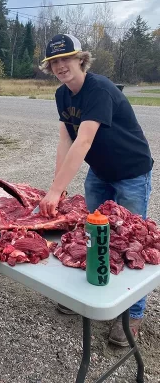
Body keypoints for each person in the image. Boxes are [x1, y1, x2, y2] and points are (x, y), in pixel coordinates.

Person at [39, 34, 153, 347]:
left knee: (131, 239)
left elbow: (84, 140)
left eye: (66, 59)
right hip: (100, 172)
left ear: (81, 59)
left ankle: (133, 313)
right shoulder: (62, 95)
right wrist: (56, 189)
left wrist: (55, 190)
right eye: (55, 62)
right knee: (92, 235)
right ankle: (89, 296)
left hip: (131, 172)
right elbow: (66, 140)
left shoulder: (99, 89)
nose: (61, 66)